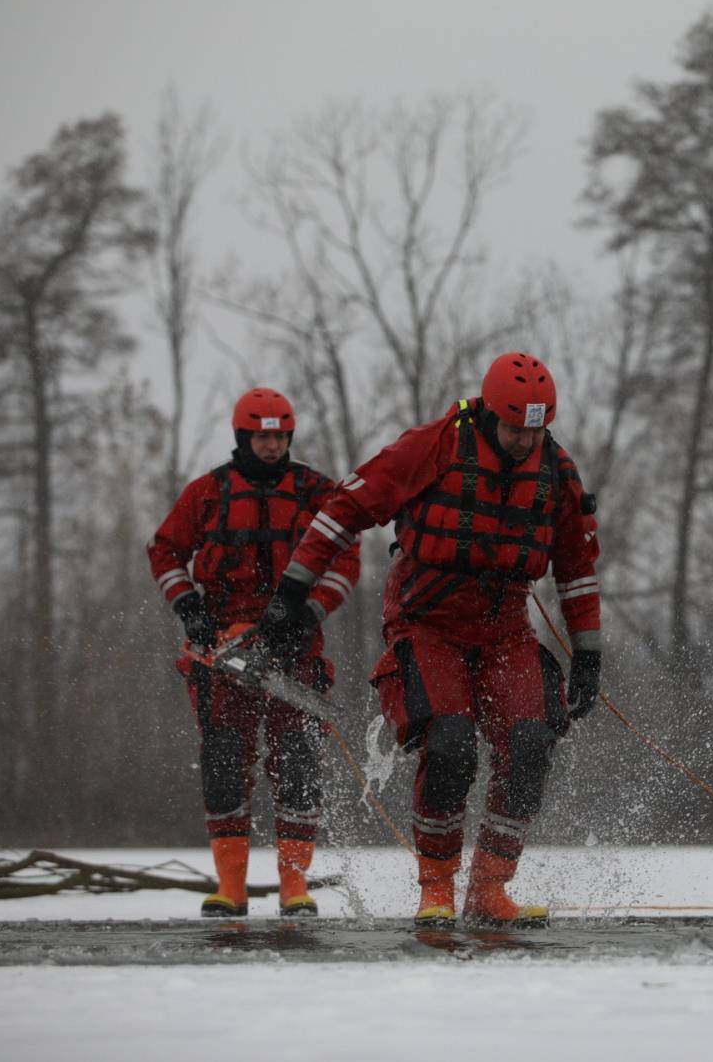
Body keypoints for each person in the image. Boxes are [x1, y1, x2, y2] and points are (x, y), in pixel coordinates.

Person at [257, 352, 602, 927]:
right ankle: (436, 887)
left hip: (506, 629)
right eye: (515, 428)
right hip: (427, 621)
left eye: (535, 430)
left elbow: (577, 568)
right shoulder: (434, 445)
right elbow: (345, 509)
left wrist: (588, 653)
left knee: (532, 744)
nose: (524, 440)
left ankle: (490, 889)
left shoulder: (556, 472)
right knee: (450, 746)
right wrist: (292, 589)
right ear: (491, 414)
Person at [148, 388, 361, 918]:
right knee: (222, 763)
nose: (272, 445)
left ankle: (295, 888)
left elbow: (346, 556)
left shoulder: (317, 492)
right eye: (263, 436)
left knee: (297, 764)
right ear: (244, 437)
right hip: (221, 649)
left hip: (295, 648)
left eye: (280, 436)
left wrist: (310, 613)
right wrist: (188, 608)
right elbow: (165, 551)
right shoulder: (206, 493)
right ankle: (231, 887)